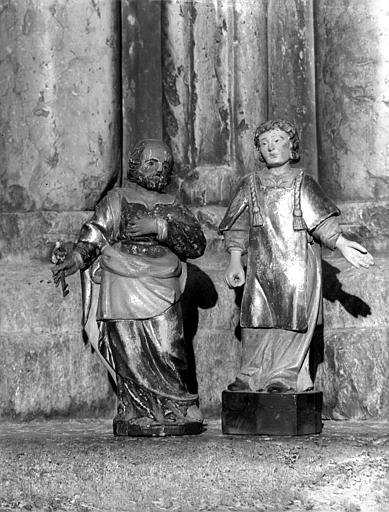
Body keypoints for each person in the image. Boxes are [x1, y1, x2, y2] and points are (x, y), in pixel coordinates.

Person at [52, 139, 206, 432]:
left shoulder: (172, 204)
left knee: (169, 346)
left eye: (165, 165)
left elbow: (197, 243)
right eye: (151, 163)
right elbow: (94, 235)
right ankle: (136, 409)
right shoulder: (117, 199)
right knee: (128, 351)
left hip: (162, 283)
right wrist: (75, 258)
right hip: (122, 284)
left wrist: (159, 227)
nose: (159, 170)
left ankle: (177, 406)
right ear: (135, 166)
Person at [219, 119, 374, 393]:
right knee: (255, 319)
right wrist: (234, 259)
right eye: (264, 143)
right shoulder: (251, 184)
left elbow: (321, 222)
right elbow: (238, 225)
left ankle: (285, 374)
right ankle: (251, 373)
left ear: (292, 146)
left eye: (278, 140)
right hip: (261, 265)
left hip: (296, 266)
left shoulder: (302, 182)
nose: (271, 147)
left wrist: (342, 244)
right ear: (258, 151)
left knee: (292, 317)